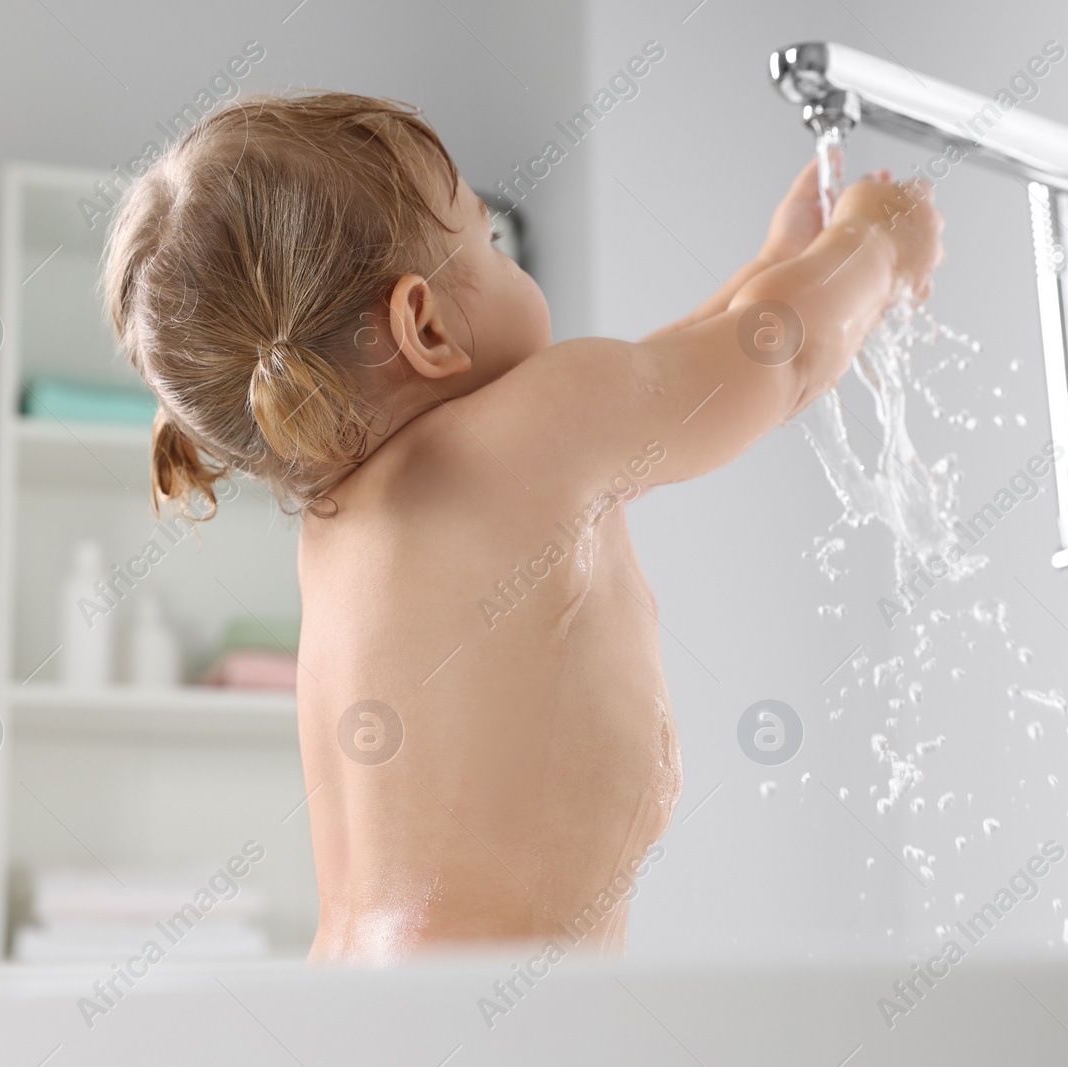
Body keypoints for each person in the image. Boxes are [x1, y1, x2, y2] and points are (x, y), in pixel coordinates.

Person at [104, 92, 945, 963]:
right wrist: (878, 247)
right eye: (490, 240)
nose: (505, 253)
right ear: (425, 325)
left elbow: (665, 376)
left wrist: (780, 257)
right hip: (495, 1028)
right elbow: (778, 355)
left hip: (350, 1012)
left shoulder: (349, 521)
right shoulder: (537, 437)